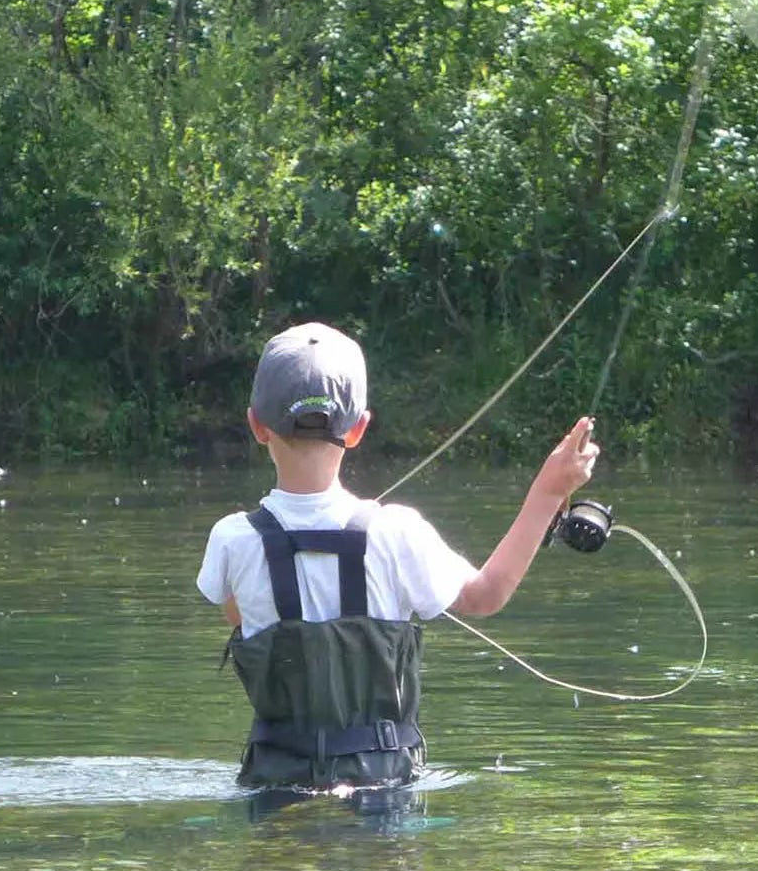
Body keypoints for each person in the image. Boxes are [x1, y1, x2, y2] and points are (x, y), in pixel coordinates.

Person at [197, 322, 599, 790]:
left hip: (273, 785)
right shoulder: (397, 531)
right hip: (383, 790)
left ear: (256, 425)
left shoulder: (231, 538)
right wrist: (550, 491)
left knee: (284, 865)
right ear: (359, 429)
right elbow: (488, 595)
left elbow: (239, 618)